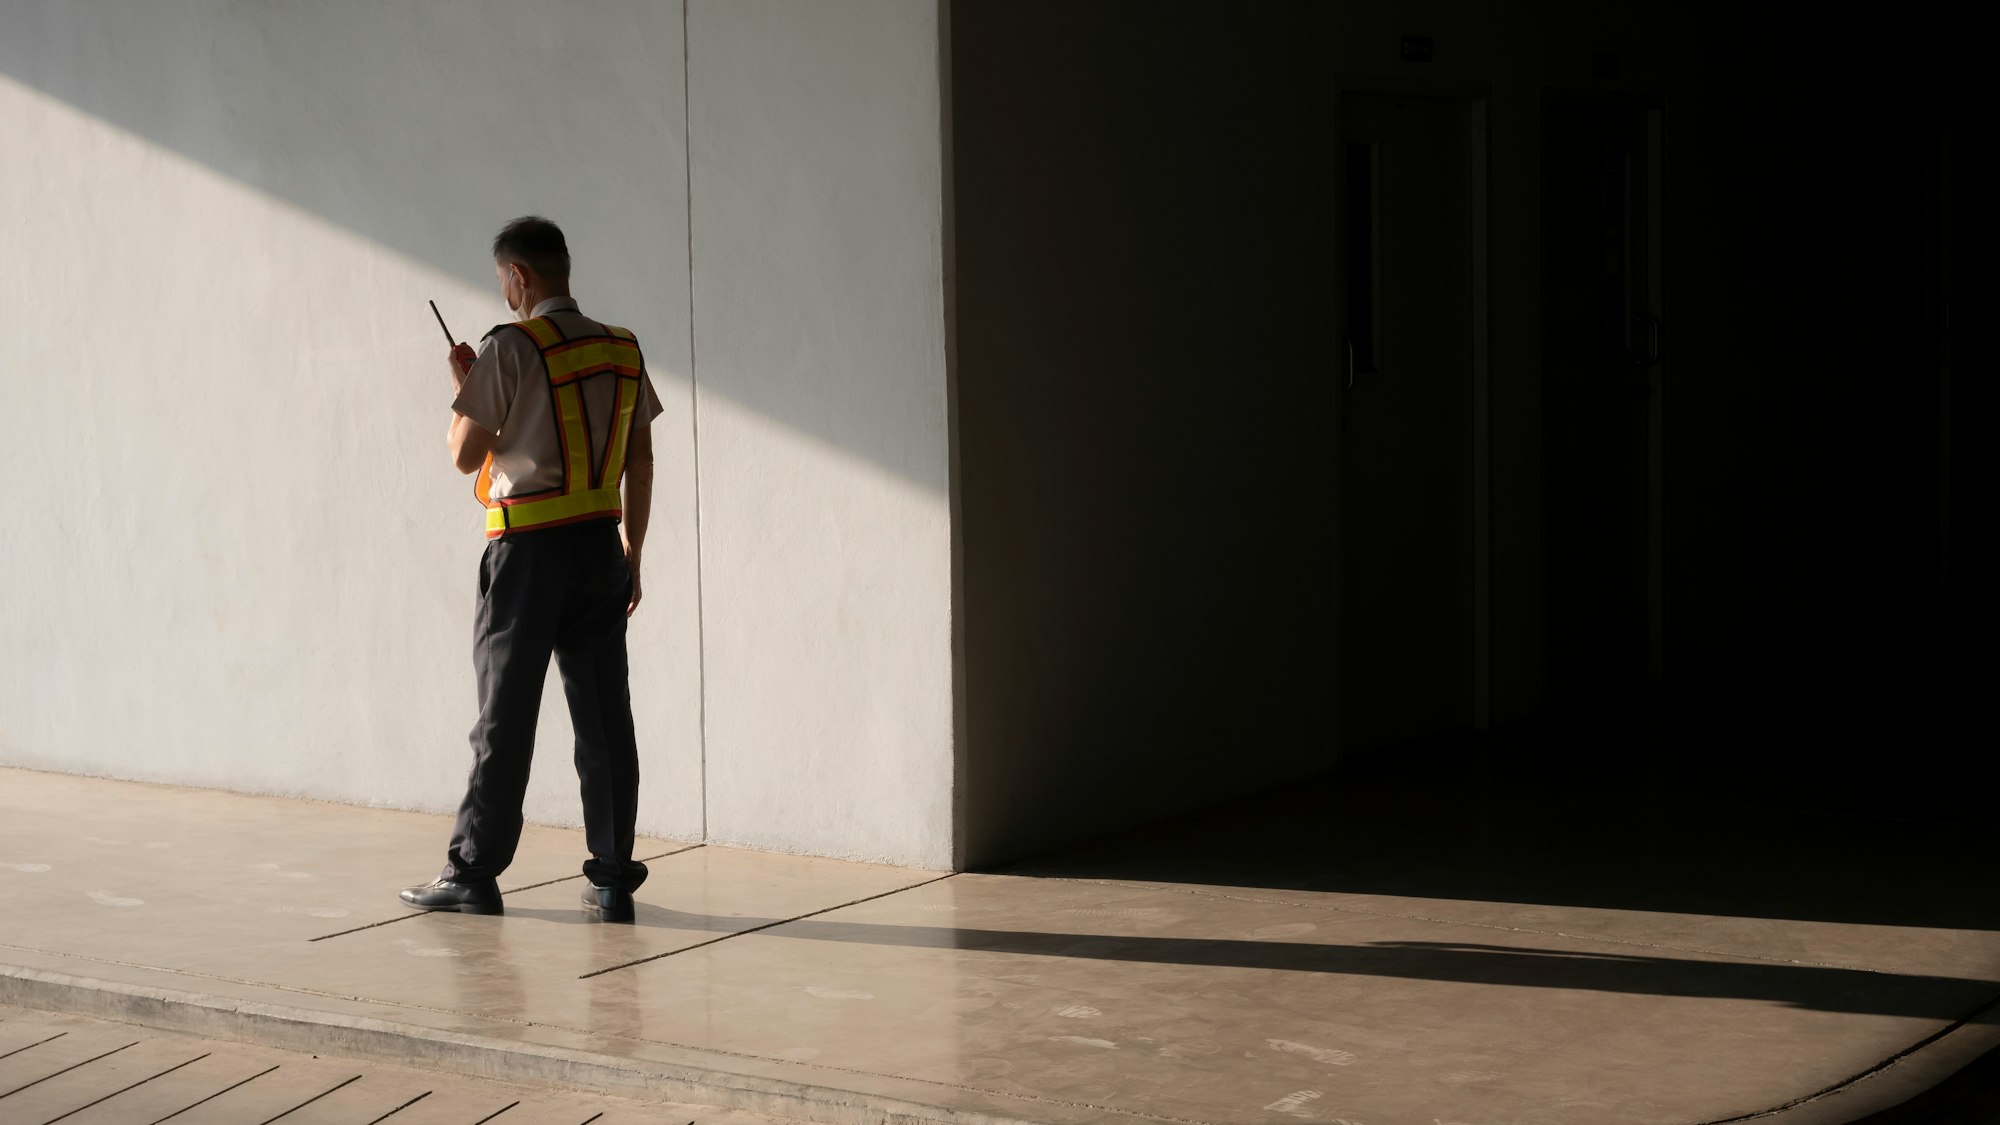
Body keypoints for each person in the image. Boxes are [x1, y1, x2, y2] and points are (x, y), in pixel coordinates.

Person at [399, 216, 663, 923]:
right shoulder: (621, 347)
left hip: (526, 556)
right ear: (563, 268)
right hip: (601, 546)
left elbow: (463, 453)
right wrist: (634, 550)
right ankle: (612, 876)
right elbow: (640, 456)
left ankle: (474, 871)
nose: (505, 294)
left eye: (503, 282)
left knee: (504, 718)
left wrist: (466, 388)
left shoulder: (508, 347)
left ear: (518, 276)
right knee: (606, 717)